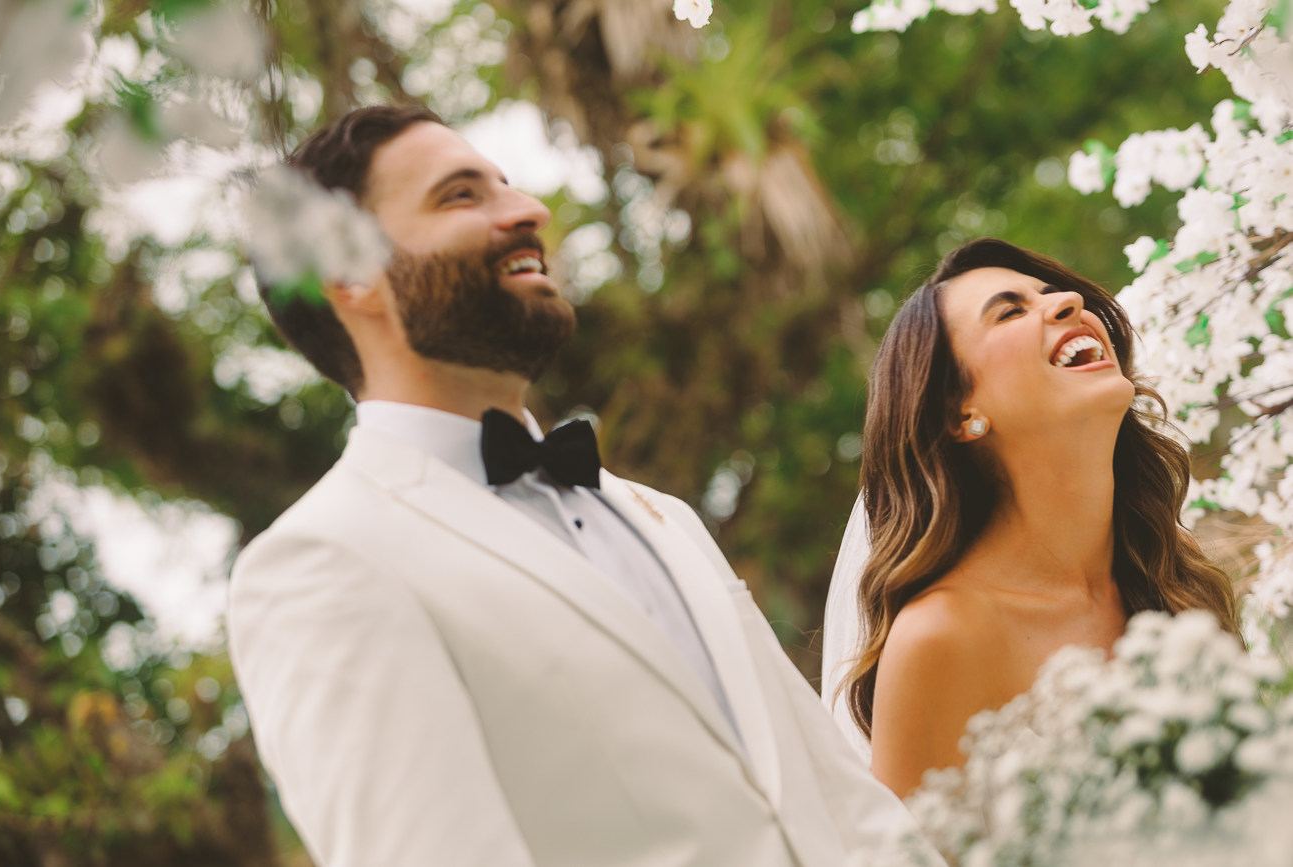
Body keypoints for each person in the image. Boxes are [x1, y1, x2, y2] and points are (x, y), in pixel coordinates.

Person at [227, 103, 944, 867]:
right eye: (461, 196)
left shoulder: (661, 515)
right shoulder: (325, 563)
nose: (529, 210)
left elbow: (843, 799)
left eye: (508, 184)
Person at [819, 238, 1239, 798]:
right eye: (1009, 312)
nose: (1069, 301)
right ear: (959, 412)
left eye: (1053, 293)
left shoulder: (1174, 572)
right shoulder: (941, 638)